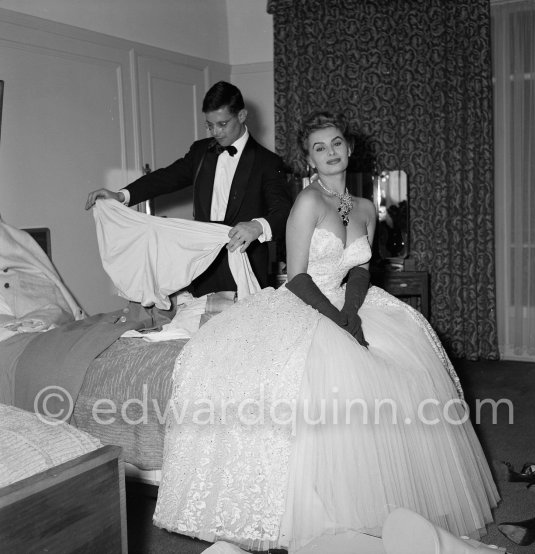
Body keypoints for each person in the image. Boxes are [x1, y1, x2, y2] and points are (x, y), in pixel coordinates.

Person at [153, 110, 500, 552]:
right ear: (309, 160)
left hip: (348, 299)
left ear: (349, 148)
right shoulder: (307, 202)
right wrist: (338, 321)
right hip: (305, 303)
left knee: (399, 374)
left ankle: (386, 504)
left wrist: (353, 310)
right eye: (320, 148)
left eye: (336, 143)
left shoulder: (363, 207)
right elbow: (296, 277)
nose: (331, 153)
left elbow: (360, 267)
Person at [85, 81, 291, 297]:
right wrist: (121, 195)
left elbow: (284, 212)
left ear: (241, 116)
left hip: (246, 264)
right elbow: (167, 177)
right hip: (203, 265)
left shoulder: (268, 162)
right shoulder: (201, 152)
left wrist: (257, 226)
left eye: (222, 124)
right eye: (210, 125)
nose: (216, 132)